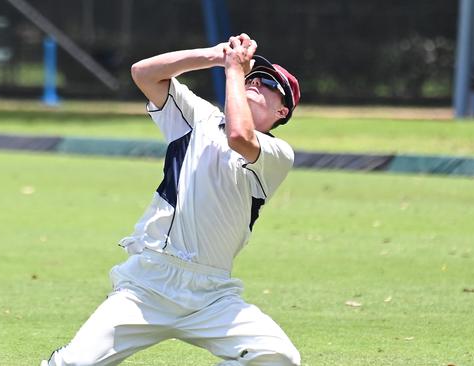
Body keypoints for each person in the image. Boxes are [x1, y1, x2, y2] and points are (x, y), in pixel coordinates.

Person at [42, 33, 301, 366]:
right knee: (74, 364)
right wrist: (214, 56)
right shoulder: (199, 118)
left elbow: (240, 136)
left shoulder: (278, 153)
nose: (256, 81)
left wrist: (235, 72)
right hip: (149, 284)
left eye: (268, 83)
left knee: (280, 358)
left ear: (283, 110)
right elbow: (143, 73)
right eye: (254, 76)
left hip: (212, 295)